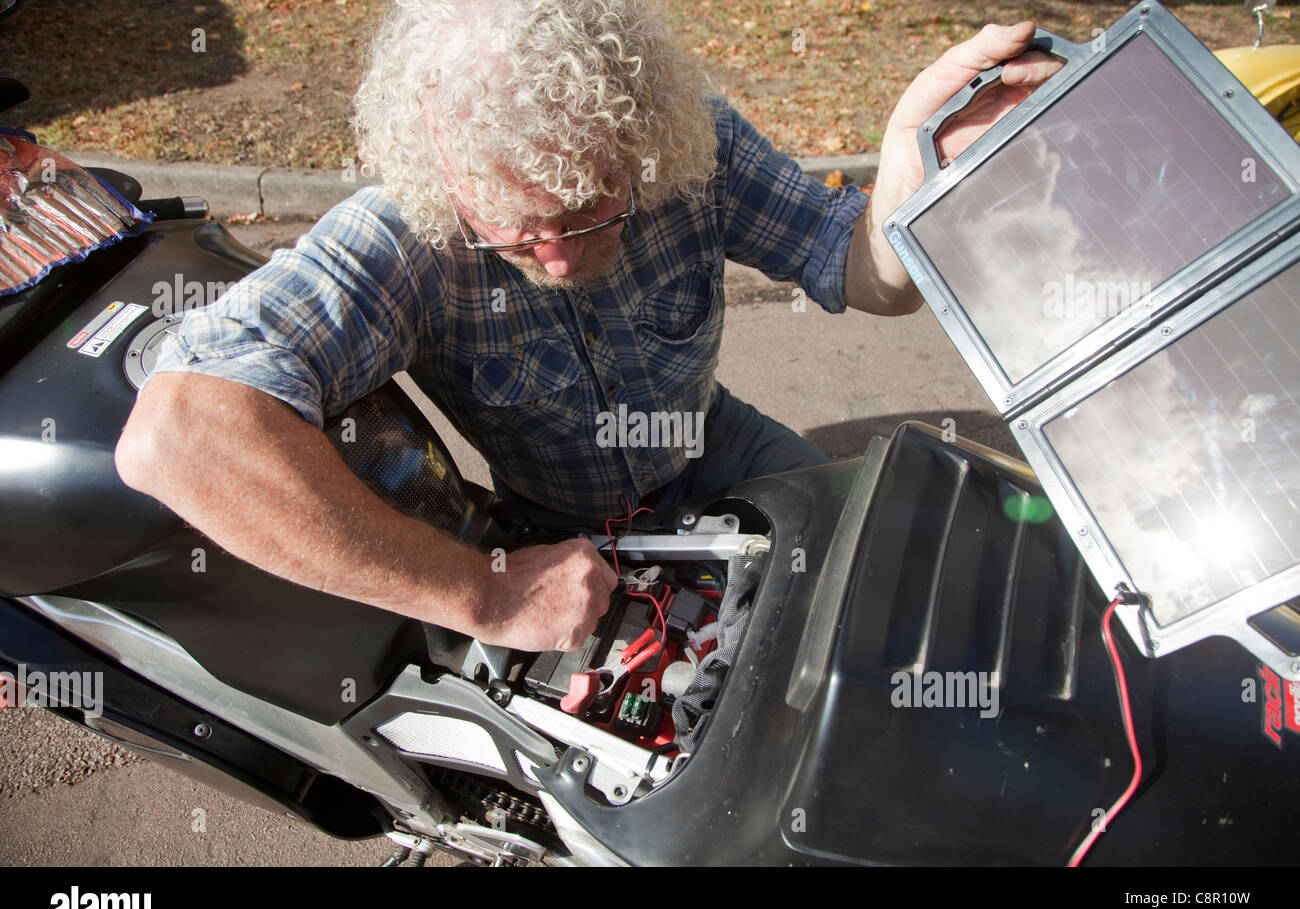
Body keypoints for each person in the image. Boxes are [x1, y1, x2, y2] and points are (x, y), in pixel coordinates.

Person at [115, 0, 1057, 654]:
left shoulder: (698, 145)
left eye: (589, 207)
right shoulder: (405, 230)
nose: (556, 254)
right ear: (440, 171)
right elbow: (177, 434)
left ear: (641, 137)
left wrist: (907, 164)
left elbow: (867, 276)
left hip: (714, 445)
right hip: (555, 527)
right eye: (513, 226)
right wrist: (483, 593)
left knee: (904, 572)